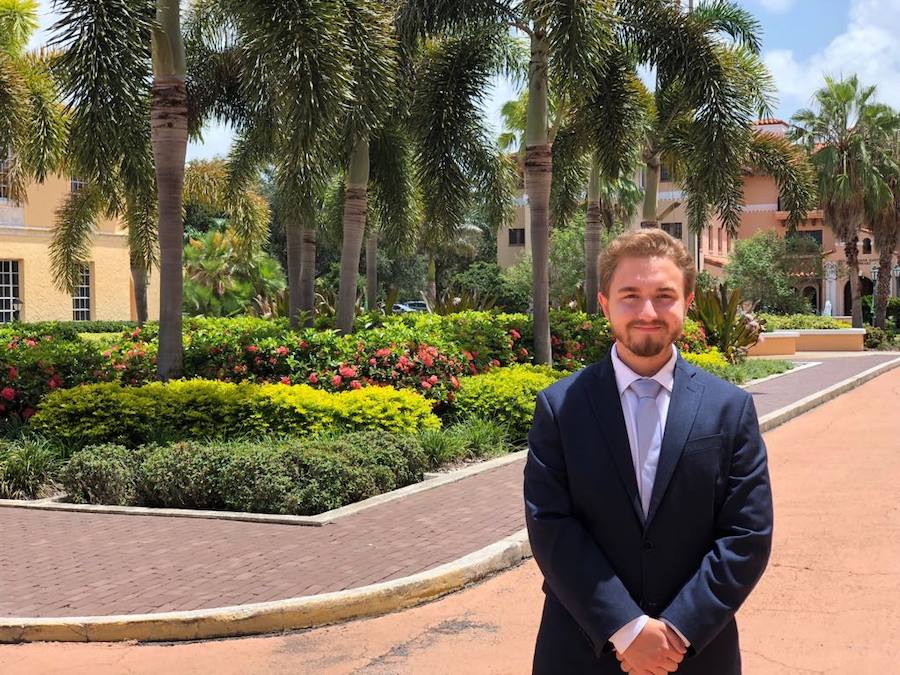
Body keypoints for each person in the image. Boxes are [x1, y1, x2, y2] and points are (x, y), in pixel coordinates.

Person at [524, 229, 773, 674]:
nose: (647, 311)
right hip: (584, 650)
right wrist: (625, 628)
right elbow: (551, 528)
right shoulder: (561, 408)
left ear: (688, 302)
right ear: (604, 304)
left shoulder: (730, 410)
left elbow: (746, 535)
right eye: (630, 295)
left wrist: (677, 631)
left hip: (696, 653)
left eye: (664, 295)